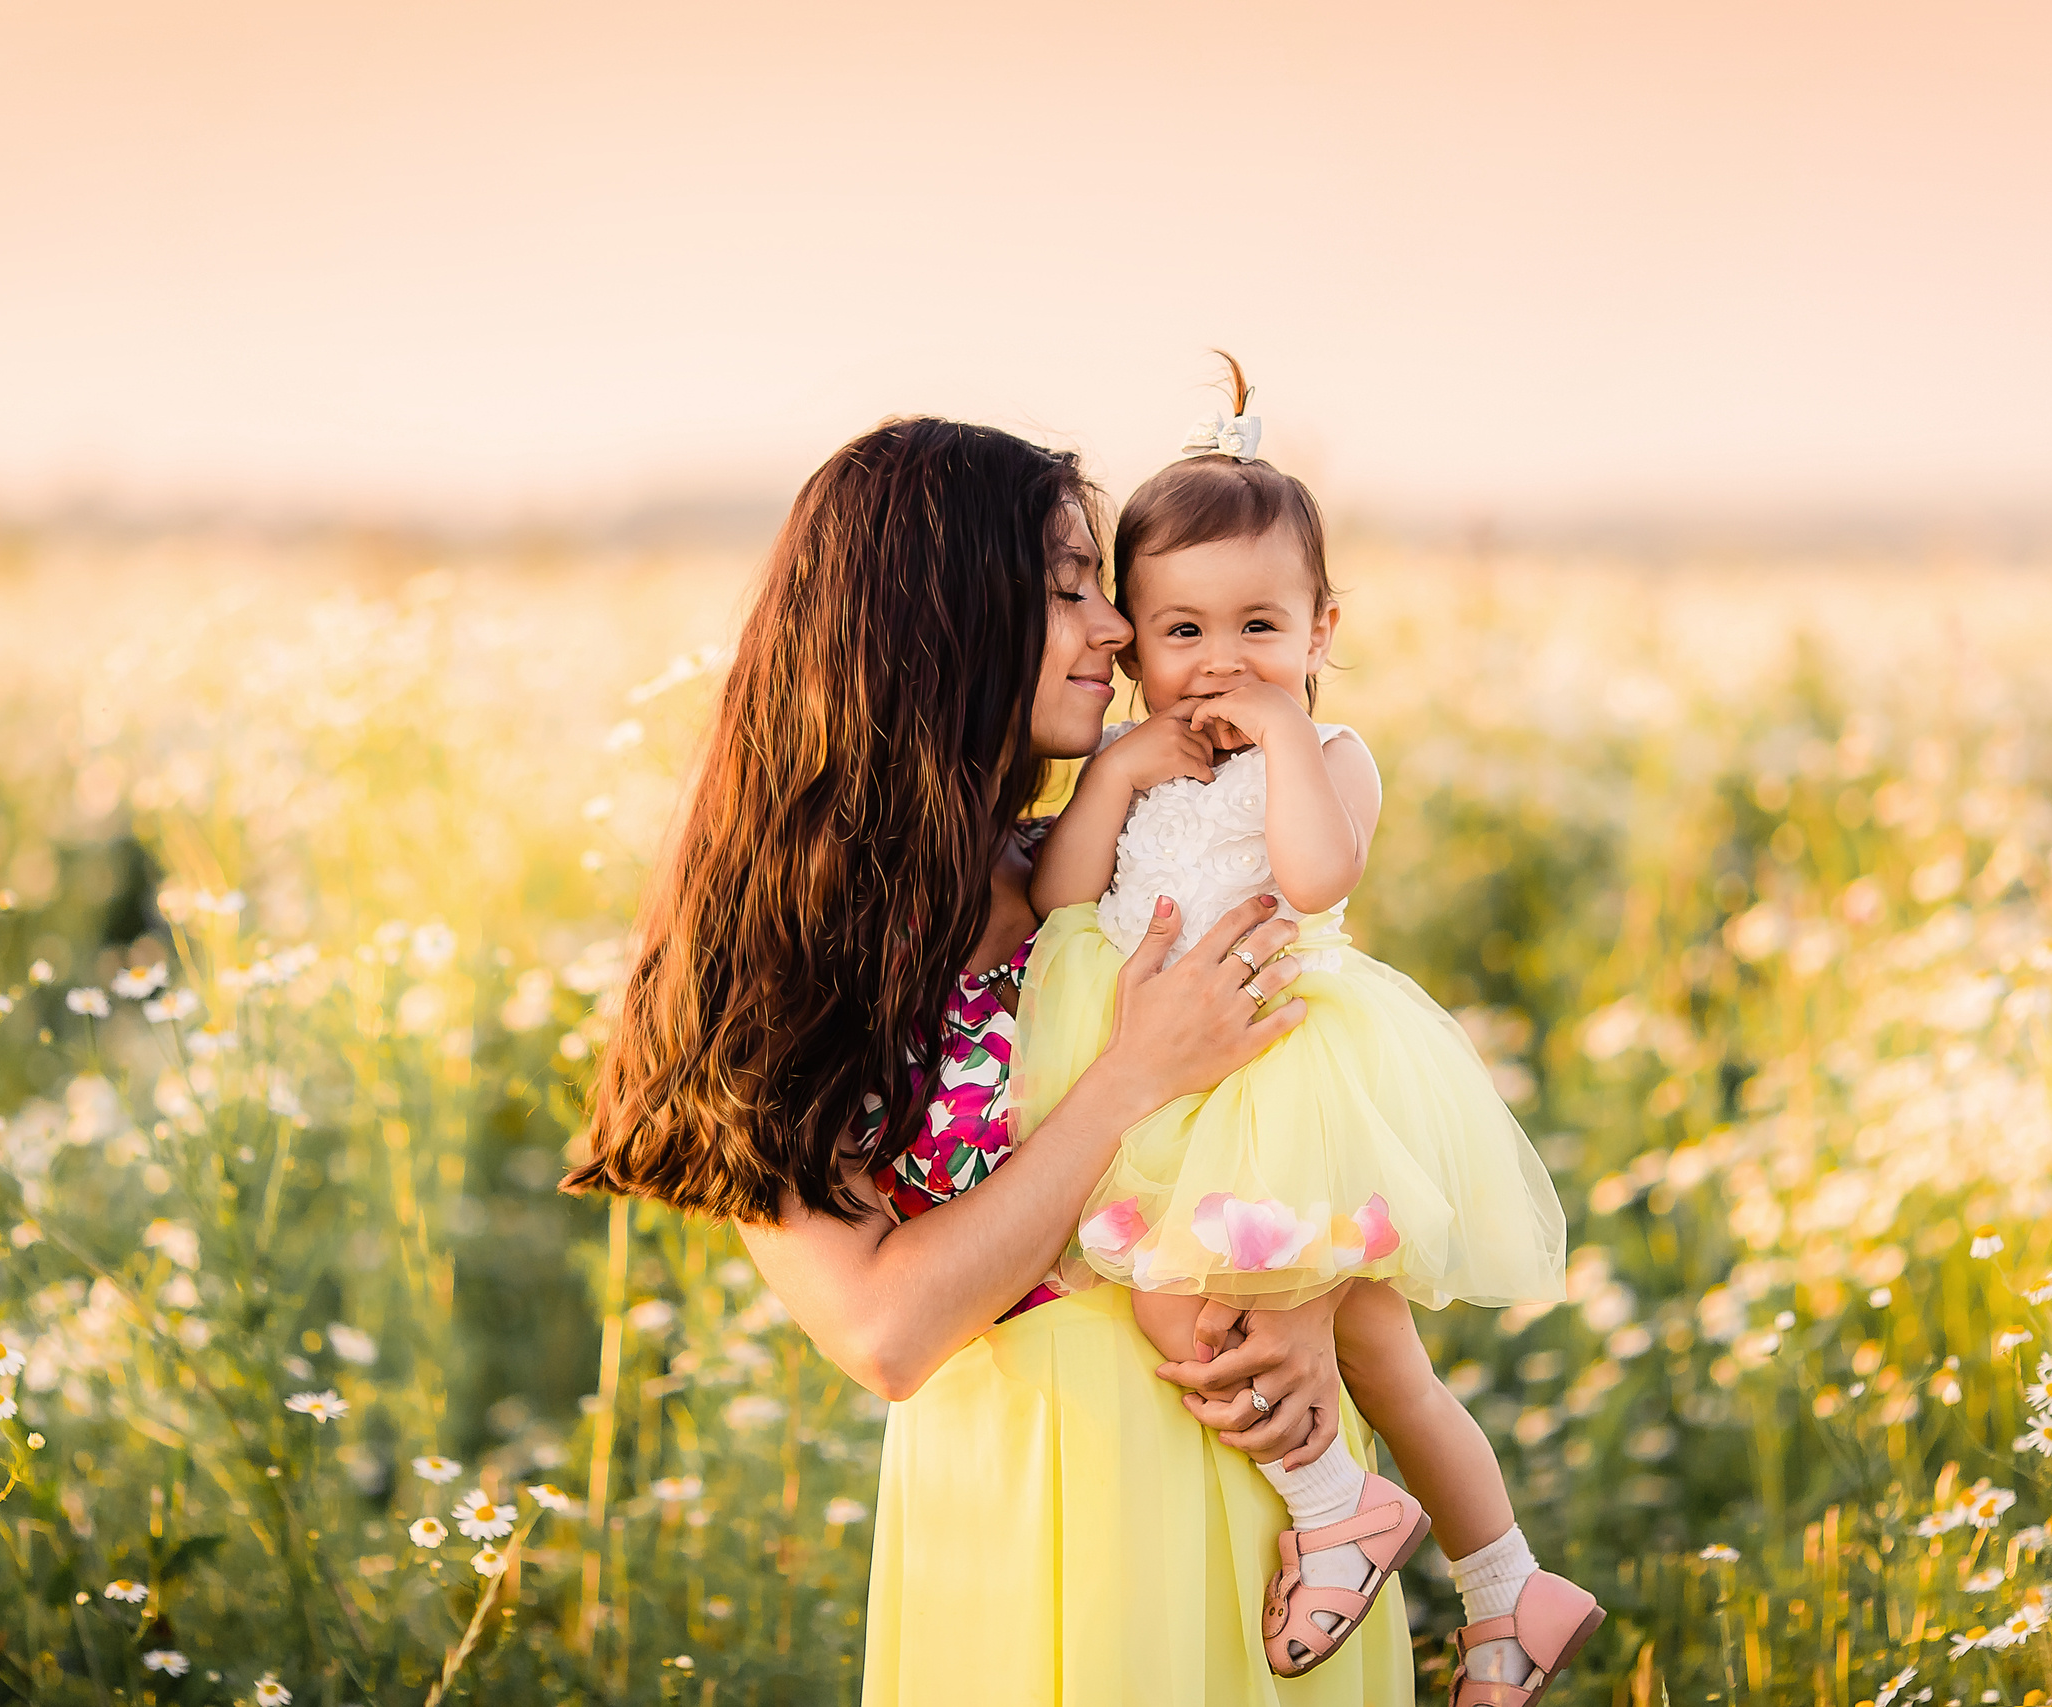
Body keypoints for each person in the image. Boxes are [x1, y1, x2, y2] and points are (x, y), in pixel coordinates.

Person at [565, 417, 1411, 1704]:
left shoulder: (1124, 870)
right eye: (1068, 590)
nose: (1119, 630)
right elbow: (885, 1330)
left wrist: (1308, 1295)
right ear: (937, 622)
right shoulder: (776, 951)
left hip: (1270, 1480)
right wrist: (1130, 1076)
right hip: (1031, 1501)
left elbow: (1324, 1090)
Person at [1015, 358, 1601, 1706]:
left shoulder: (1330, 755)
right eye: (1181, 632)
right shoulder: (1140, 757)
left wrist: (1281, 732)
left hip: (1284, 1076)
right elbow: (1060, 897)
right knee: (1374, 1351)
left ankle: (1353, 1512)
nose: (1220, 662)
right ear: (1135, 638)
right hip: (1170, 1080)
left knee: (1181, 1291)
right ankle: (1509, 1587)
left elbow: (1319, 874)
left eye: (1261, 627)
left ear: (1323, 628)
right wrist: (1111, 771)